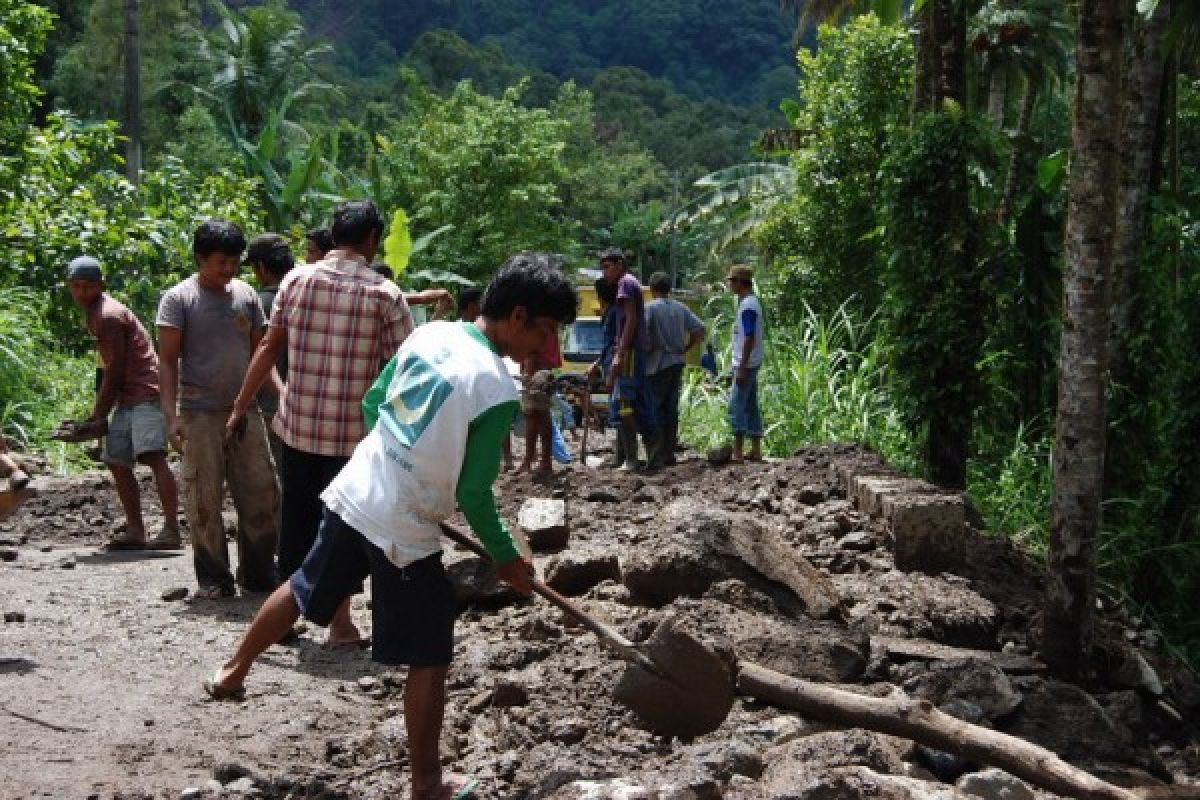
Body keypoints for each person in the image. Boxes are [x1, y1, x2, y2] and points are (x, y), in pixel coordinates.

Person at [204, 254, 577, 800]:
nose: (544, 348)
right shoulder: (496, 387)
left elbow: (374, 401)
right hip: (403, 526)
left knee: (305, 584)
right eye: (544, 331)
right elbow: (474, 494)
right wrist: (506, 559)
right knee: (430, 652)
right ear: (518, 315)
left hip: (359, 488)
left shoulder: (433, 335)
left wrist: (402, 458)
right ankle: (426, 784)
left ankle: (231, 671)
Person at [227, 202, 412, 645]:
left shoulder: (296, 280)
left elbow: (269, 348)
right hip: (354, 439)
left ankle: (284, 618)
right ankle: (341, 623)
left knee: (297, 521)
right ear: (371, 239)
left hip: (299, 429)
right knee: (344, 527)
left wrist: (240, 406)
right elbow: (404, 371)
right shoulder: (385, 295)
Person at [157, 220, 279, 598]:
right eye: (220, 262)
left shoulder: (245, 296)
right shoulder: (179, 300)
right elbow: (167, 361)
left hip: (245, 412)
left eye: (234, 262)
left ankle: (258, 573)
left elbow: (263, 352)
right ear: (199, 259)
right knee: (204, 498)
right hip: (200, 413)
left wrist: (279, 395)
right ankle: (213, 577)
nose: (228, 270)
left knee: (263, 492)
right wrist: (172, 416)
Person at [62, 256, 180, 550]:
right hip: (127, 395)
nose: (81, 293)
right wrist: (97, 413)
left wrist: (99, 414)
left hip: (144, 391)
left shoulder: (109, 315)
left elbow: (114, 369)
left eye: (87, 287)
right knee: (116, 461)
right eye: (75, 287)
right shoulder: (94, 314)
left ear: (101, 285)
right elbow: (105, 368)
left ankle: (171, 529)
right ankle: (136, 531)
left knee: (153, 456)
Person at [598, 248, 656, 471]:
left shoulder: (626, 284)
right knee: (629, 402)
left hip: (630, 350)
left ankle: (632, 458)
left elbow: (630, 320)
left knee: (624, 404)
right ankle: (629, 455)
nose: (605, 272)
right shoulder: (630, 283)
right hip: (632, 349)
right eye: (602, 268)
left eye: (608, 266)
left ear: (620, 264)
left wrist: (619, 355)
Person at [643, 271, 706, 468]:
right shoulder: (681, 308)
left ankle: (657, 453)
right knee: (671, 407)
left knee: (655, 407)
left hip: (657, 362)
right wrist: (687, 348)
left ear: (652, 290)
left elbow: (643, 335)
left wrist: (648, 349)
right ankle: (669, 451)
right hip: (677, 360)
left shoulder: (650, 308)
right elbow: (700, 329)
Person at [245, 234, 293, 472]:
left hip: (268, 405)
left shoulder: (258, 305)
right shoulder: (305, 297)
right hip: (303, 406)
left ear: (261, 268)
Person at [726, 264, 766, 463]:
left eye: (732, 281)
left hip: (747, 363)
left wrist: (741, 366)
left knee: (736, 405)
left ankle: (738, 451)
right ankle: (756, 449)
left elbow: (749, 337)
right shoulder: (750, 302)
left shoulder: (748, 305)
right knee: (750, 404)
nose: (730, 285)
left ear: (741, 282)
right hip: (750, 361)